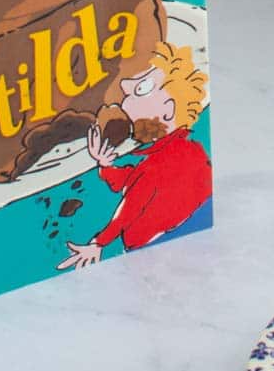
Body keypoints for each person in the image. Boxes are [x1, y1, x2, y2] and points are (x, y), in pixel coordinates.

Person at [59, 44, 211, 267]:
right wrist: (105, 163)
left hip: (156, 248)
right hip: (183, 237)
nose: (124, 89)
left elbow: (131, 206)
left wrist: (98, 243)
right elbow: (130, 183)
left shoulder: (161, 164)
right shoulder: (189, 149)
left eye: (143, 88)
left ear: (168, 109)